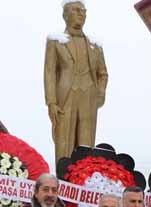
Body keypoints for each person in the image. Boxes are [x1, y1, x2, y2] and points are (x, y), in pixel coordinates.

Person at [44, 0, 109, 161]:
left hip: (89, 96)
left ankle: (83, 176)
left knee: (86, 143)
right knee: (63, 141)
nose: (81, 13)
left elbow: (103, 73)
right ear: (65, 15)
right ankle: (63, 179)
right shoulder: (55, 41)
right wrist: (51, 102)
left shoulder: (95, 45)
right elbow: (50, 72)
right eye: (76, 10)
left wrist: (99, 94)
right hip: (65, 96)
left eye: (83, 10)